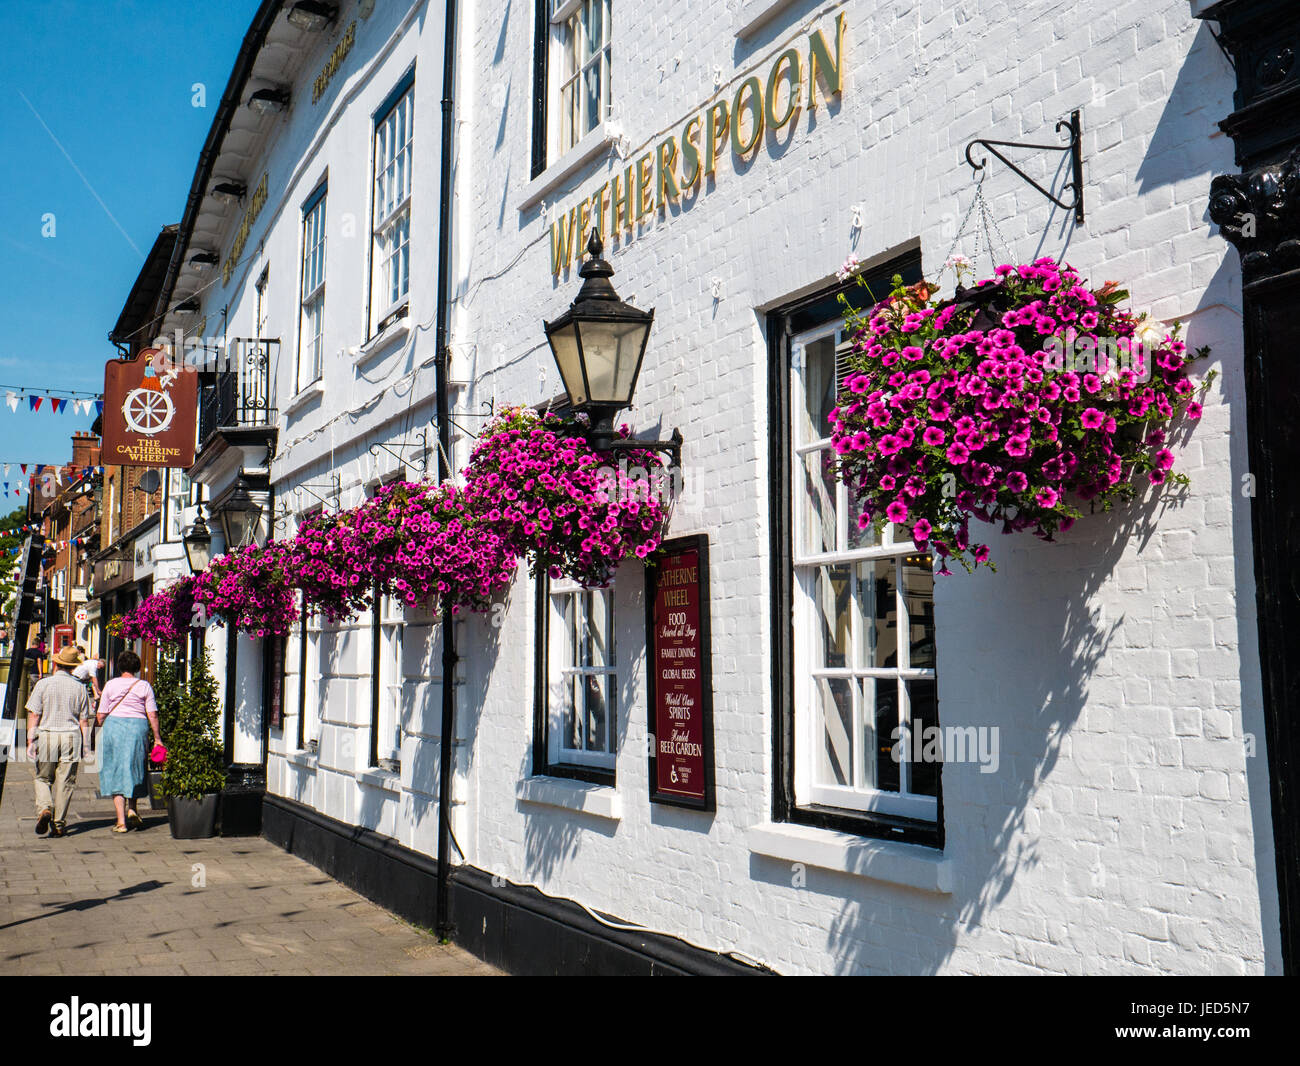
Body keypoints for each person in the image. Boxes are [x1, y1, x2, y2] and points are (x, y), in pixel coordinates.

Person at [25, 645, 93, 838]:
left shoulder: (43, 685)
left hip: (47, 734)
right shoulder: (80, 687)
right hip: (72, 737)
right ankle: (59, 824)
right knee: (66, 781)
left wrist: (31, 739)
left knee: (42, 777)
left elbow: (34, 714)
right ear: (72, 667)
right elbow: (84, 720)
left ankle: (45, 808)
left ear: (55, 663)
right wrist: (86, 746)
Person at [96, 650, 162, 833]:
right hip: (137, 727)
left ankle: (121, 821)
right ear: (137, 668)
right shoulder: (144, 686)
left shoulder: (110, 685)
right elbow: (153, 714)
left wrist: (101, 724)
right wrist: (157, 738)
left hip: (114, 727)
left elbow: (101, 715)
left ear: (119, 666)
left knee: (115, 769)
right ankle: (132, 809)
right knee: (134, 767)